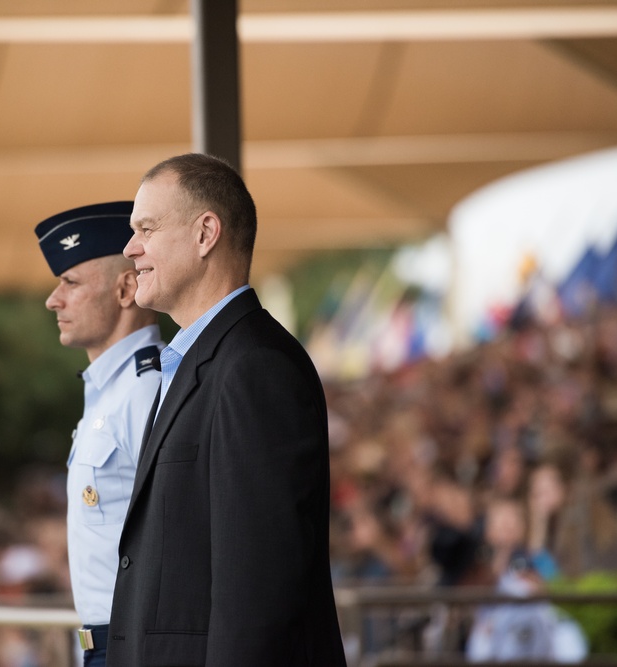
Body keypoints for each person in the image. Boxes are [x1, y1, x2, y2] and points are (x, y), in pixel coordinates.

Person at [108, 154, 346, 666]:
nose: (130, 248)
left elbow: (257, 591)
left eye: (146, 227)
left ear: (205, 233)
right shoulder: (207, 362)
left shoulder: (255, 368)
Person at [35, 201, 164, 667]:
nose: (54, 299)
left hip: (137, 642)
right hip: (106, 644)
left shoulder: (147, 389)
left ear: (126, 288)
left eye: (70, 282)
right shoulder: (112, 391)